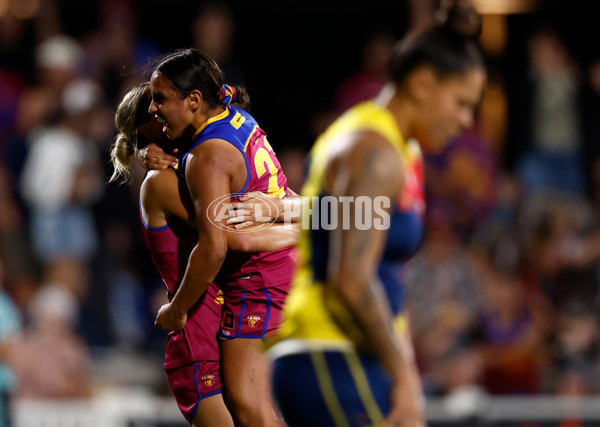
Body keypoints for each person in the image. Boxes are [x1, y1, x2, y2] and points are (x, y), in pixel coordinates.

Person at [268, 1, 487, 426]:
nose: (465, 121)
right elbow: (351, 278)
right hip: (332, 356)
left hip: (356, 359)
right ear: (422, 84)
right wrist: (404, 373)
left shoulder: (398, 149)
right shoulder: (372, 152)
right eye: (461, 103)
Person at [111, 82, 298, 426]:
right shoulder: (161, 182)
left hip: (234, 325)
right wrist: (309, 230)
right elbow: (234, 238)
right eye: (162, 110)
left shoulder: (194, 167)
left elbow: (272, 207)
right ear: (151, 130)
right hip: (200, 340)